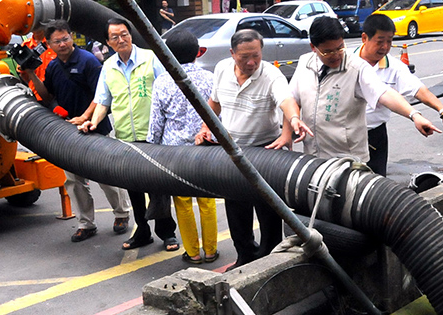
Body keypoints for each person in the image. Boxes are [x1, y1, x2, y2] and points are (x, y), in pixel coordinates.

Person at [194, 28, 313, 269]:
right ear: (232, 54)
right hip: (231, 149)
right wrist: (205, 127)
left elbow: (286, 101)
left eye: (256, 56)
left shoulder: (271, 75)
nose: (251, 62)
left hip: (265, 149)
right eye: (244, 57)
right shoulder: (221, 69)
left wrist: (293, 121)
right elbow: (214, 103)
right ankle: (245, 255)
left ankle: (269, 258)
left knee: (268, 208)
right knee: (236, 207)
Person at [22, 20, 131, 243]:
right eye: (57, 41)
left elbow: (102, 96)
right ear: (49, 44)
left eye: (65, 39)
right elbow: (48, 96)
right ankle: (85, 223)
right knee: (74, 179)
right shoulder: (53, 66)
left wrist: (85, 117)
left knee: (105, 175)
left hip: (95, 127)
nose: (62, 44)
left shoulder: (88, 61)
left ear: (71, 37)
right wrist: (31, 75)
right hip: (68, 130)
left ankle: (121, 214)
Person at [81, 19, 180, 253]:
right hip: (126, 136)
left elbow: (168, 89)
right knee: (133, 188)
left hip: (153, 135)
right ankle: (142, 231)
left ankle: (167, 232)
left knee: (158, 186)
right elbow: (103, 100)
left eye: (124, 34)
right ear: (107, 42)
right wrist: (93, 122)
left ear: (130, 35)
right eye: (114, 37)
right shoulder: (108, 66)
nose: (120, 40)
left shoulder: (150, 58)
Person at [289, 16, 439, 165]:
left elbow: (384, 93)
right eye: (328, 52)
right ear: (313, 47)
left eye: (340, 48)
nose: (336, 55)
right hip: (313, 155)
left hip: (347, 159)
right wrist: (292, 121)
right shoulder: (305, 63)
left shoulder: (357, 68)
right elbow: (291, 98)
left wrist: (414, 115)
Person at [353, 13, 443, 176]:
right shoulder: (345, 61)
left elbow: (418, 89)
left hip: (374, 136)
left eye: (389, 41)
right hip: (344, 134)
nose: (385, 47)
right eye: (380, 41)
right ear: (364, 38)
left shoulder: (394, 68)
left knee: (374, 186)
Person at [148, 29, 219, 265]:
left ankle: (193, 252)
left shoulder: (163, 82)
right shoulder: (210, 79)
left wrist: (153, 149)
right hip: (205, 148)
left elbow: (156, 122)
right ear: (197, 52)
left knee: (183, 202)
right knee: (207, 201)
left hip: (175, 152)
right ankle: (211, 251)